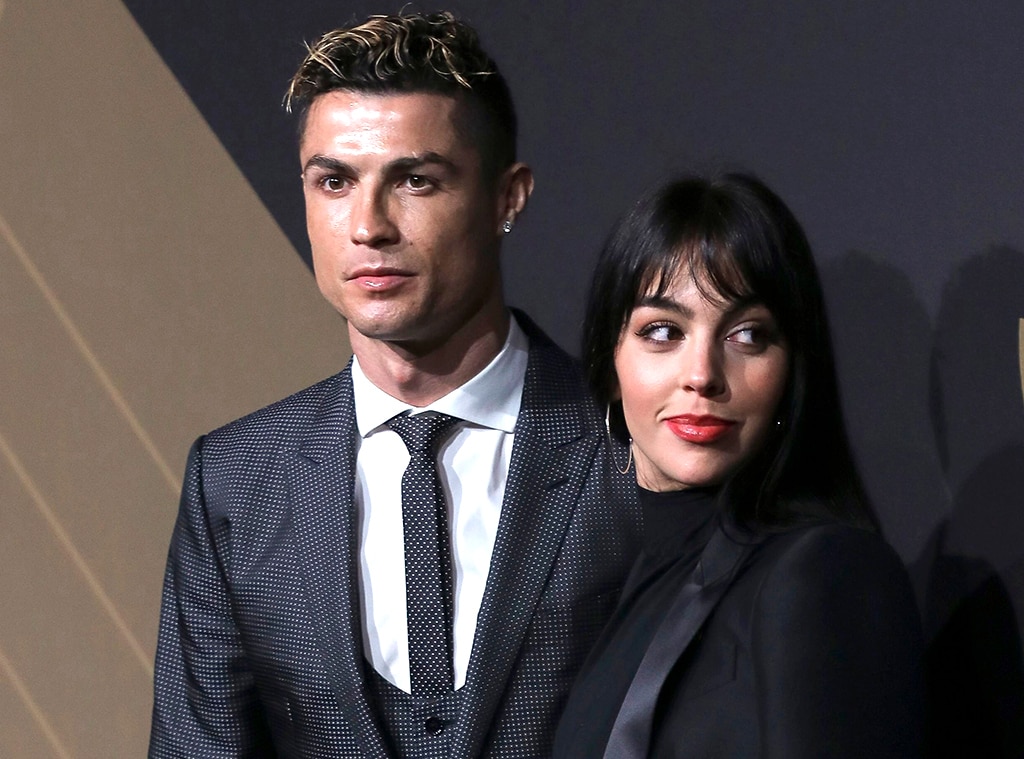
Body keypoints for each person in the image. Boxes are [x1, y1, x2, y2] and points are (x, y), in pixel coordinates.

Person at [148, 12, 640, 758]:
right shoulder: (235, 480)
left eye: (415, 180)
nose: (368, 226)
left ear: (507, 198)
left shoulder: (630, 447)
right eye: (334, 182)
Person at [553, 172, 925, 757]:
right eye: (662, 331)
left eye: (747, 335)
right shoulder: (614, 583)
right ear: (609, 362)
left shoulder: (823, 574)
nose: (701, 374)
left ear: (792, 370)